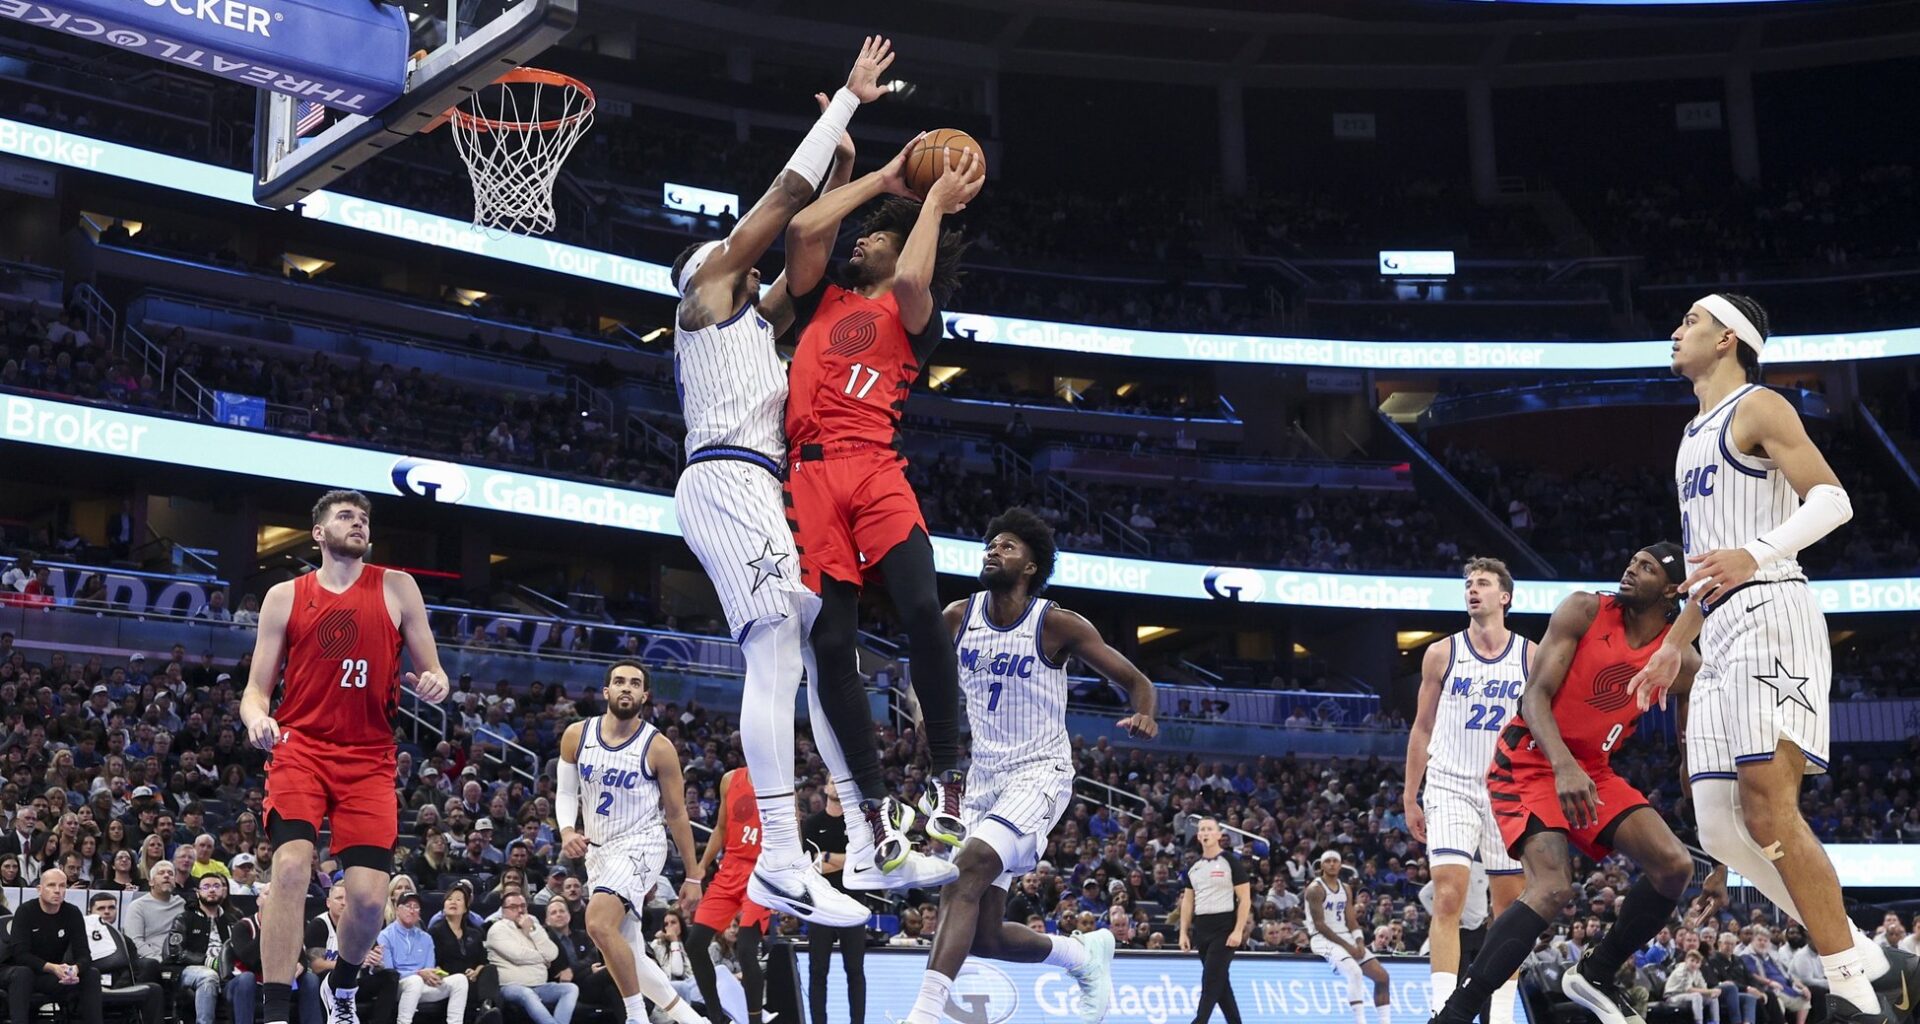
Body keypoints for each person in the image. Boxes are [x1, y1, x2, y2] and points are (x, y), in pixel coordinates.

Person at [667, 35, 946, 909]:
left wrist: (843, 176)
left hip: (764, 490)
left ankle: (864, 843)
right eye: (730, 255)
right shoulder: (709, 297)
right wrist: (846, 109)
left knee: (830, 651)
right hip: (722, 478)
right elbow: (785, 208)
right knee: (778, 649)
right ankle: (783, 859)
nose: (739, 261)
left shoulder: (760, 324)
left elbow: (808, 248)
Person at [1632, 294, 1920, 1023]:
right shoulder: (1689, 434)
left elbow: (1833, 500)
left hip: (1772, 611)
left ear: (1728, 338)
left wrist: (1756, 553)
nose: (1676, 331)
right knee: (1719, 827)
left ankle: (1854, 990)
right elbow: (1708, 568)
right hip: (1720, 628)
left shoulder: (1760, 406)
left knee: (1768, 808)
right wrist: (1674, 643)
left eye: (1690, 322)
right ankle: (1866, 952)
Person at [778, 90, 985, 855]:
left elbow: (908, 282)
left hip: (875, 467)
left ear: (904, 245)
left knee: (923, 607)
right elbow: (803, 227)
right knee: (833, 646)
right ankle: (870, 802)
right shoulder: (821, 299)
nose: (859, 238)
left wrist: (930, 203)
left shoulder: (914, 312)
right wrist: (885, 178)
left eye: (874, 234)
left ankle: (949, 772)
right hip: (807, 478)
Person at [1433, 545, 1719, 1024]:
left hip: (1592, 768)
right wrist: (1563, 766)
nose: (1630, 567)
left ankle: (1598, 970)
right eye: (1631, 560)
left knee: (1673, 866)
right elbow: (1533, 698)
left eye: (1646, 567)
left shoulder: (1683, 663)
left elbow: (1696, 759)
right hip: (1528, 757)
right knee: (1551, 888)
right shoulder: (1585, 609)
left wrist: (1721, 859)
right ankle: (1454, 1016)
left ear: (1673, 590)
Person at [905, 507, 1159, 1024]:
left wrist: (1144, 714)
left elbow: (1138, 681)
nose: (994, 550)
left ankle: (924, 1015)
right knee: (986, 935)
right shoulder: (958, 616)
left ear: (1030, 566)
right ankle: (1083, 955)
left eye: (1008, 546)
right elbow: (920, 672)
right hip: (983, 782)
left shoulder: (1057, 623)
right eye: (991, 543)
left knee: (964, 870)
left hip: (1039, 772)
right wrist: (919, 711)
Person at [243, 488, 451, 1024]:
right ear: (318, 532)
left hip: (370, 757)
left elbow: (438, 673)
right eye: (344, 516)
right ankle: (275, 1010)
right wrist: (257, 720)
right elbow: (255, 691)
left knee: (364, 899)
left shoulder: (398, 587)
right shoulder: (285, 596)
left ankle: (344, 983)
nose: (357, 523)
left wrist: (434, 684)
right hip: (301, 750)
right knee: (290, 868)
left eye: (362, 518)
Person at [1405, 557, 1531, 1019]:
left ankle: (1500, 1013)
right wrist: (1409, 794)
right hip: (1450, 782)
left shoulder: (1531, 655)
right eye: (1468, 584)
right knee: (1449, 895)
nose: (1472, 589)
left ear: (1505, 597)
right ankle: (1445, 1011)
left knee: (1510, 908)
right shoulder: (1441, 653)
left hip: (1507, 788)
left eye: (1482, 583)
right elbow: (1421, 728)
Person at [556, 661, 706, 1024]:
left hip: (642, 844)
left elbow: (676, 814)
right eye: (619, 682)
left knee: (596, 923)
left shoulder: (659, 747)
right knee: (628, 952)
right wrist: (566, 830)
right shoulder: (577, 735)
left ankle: (636, 1016)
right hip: (599, 850)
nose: (627, 688)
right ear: (606, 691)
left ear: (645, 696)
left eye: (635, 683)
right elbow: (565, 791)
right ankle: (694, 1021)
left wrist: (693, 875)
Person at [690, 767, 771, 1024]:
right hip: (731, 868)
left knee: (747, 950)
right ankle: (717, 1018)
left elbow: (792, 839)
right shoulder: (729, 779)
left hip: (761, 872)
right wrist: (702, 866)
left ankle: (754, 1021)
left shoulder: (780, 783)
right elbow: (721, 828)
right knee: (694, 944)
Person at [804, 788, 867, 1024]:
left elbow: (861, 863)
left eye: (838, 781)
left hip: (853, 903)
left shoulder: (857, 824)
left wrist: (827, 856)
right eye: (831, 781)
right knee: (818, 971)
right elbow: (811, 866)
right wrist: (845, 860)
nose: (835, 785)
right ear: (825, 788)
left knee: (855, 970)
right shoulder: (811, 823)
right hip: (821, 904)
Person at [1305, 851, 1391, 1024]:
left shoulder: (1346, 888)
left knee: (1383, 977)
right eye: (1327, 861)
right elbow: (1320, 925)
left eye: (1335, 861)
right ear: (1322, 866)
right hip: (1321, 938)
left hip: (1344, 935)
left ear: (1340, 865)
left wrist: (1359, 942)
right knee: (1355, 972)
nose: (1331, 864)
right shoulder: (1315, 889)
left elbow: (1351, 920)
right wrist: (1348, 946)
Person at [1180, 819, 1250, 1024]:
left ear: (1219, 835)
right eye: (1202, 829)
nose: (1205, 832)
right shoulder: (1194, 866)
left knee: (1210, 980)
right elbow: (1188, 901)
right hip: (1202, 930)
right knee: (1221, 985)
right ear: (1198, 836)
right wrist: (1183, 932)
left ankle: (1199, 1021)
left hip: (1225, 929)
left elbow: (1245, 898)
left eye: (1210, 829)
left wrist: (1238, 930)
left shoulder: (1230, 861)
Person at [10, 869, 102, 1022]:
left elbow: (84, 953)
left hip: (54, 975)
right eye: (51, 885)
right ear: (39, 889)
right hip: (27, 972)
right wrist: (52, 967)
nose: (57, 891)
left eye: (62, 886)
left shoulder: (72, 912)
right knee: (23, 973)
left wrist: (75, 969)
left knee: (91, 974)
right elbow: (20, 954)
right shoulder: (25, 911)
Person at [173, 872, 257, 1024]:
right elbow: (176, 952)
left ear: (223, 891)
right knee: (209, 976)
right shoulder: (185, 918)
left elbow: (244, 951)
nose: (212, 890)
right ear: (198, 893)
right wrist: (210, 962)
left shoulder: (234, 920)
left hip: (228, 973)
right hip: (191, 969)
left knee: (247, 978)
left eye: (216, 886)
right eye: (206, 886)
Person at [487, 891, 576, 1024]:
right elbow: (518, 956)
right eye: (513, 907)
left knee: (570, 989)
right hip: (511, 986)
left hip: (539, 985)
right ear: (504, 911)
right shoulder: (497, 930)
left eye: (523, 906)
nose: (520, 910)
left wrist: (532, 931)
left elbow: (552, 953)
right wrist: (543, 957)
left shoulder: (533, 925)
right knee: (527, 994)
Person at [381, 891, 469, 1024]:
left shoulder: (426, 938)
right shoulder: (385, 935)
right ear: (398, 909)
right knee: (414, 981)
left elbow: (429, 968)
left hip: (423, 985)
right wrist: (418, 973)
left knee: (460, 980)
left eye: (416, 907)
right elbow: (388, 974)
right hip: (398, 986)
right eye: (407, 906)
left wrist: (435, 975)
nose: (412, 910)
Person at [83, 889, 167, 1024]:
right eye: (101, 908)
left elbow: (133, 968)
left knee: (153, 980)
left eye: (111, 907)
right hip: (90, 984)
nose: (106, 912)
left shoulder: (124, 939)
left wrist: (119, 986)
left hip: (120, 983)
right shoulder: (79, 936)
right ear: (89, 912)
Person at [122, 860, 183, 963]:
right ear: (151, 882)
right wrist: (157, 960)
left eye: (170, 873)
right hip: (151, 962)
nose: (167, 876)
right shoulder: (137, 906)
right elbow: (135, 941)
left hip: (180, 960)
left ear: (174, 882)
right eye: (161, 873)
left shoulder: (182, 904)